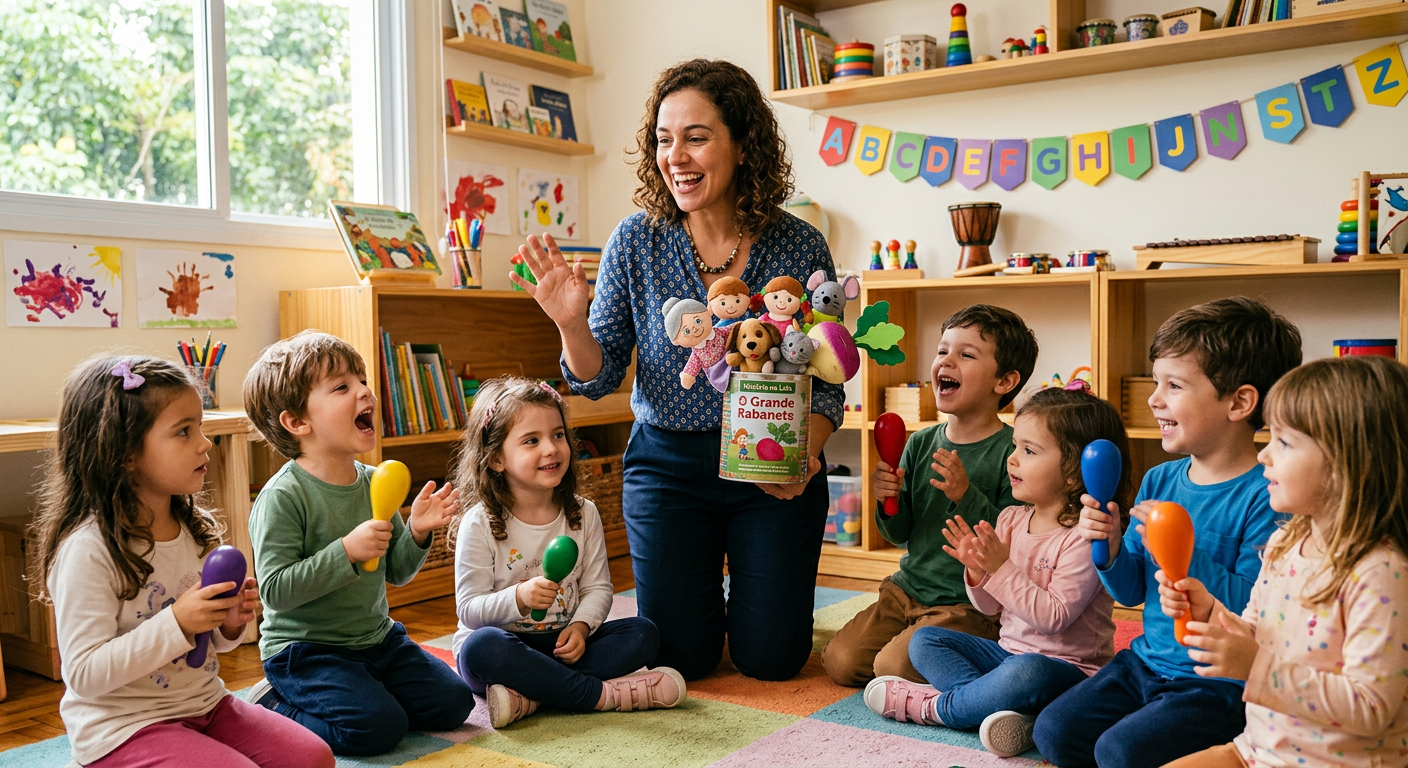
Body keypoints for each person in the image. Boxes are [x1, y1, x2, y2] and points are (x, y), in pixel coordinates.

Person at [510, 59, 843, 682]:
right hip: (668, 468)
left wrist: (807, 453)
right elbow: (598, 376)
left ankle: (750, 608)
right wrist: (570, 324)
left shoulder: (799, 243)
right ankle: (702, 612)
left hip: (771, 463)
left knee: (771, 659)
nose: (676, 156)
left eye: (696, 137)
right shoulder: (635, 240)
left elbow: (826, 375)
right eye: (664, 140)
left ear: (742, 145)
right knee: (680, 658)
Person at [1034, 297, 1303, 767]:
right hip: (1145, 661)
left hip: (1216, 681)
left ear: (1239, 402)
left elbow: (1251, 608)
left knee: (1119, 752)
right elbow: (1133, 590)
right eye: (1155, 382)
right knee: (1055, 732)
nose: (1154, 398)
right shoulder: (1161, 479)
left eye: (1174, 385)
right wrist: (1109, 547)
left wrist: (1182, 554)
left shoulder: (1269, 495)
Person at [31, 355, 333, 768]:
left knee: (314, 758)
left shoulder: (196, 528)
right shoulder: (88, 550)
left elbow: (212, 645)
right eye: (183, 431)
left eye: (201, 427)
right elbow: (83, 673)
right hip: (124, 727)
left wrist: (227, 622)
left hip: (205, 703)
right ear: (125, 454)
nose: (204, 443)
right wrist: (179, 622)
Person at [1162, 357, 1408, 768]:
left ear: (1349, 462)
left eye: (1285, 443)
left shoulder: (1381, 572)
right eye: (1269, 437)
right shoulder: (1284, 541)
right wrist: (1211, 613)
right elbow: (1260, 634)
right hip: (1257, 749)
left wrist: (1256, 667)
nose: (1264, 457)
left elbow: (1370, 707)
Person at [240, 331, 475, 755]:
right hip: (306, 652)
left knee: (454, 703)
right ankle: (273, 705)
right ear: (297, 422)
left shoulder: (374, 482)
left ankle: (366, 691)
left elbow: (398, 572)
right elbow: (275, 592)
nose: (365, 391)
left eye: (362, 380)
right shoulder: (283, 497)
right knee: (375, 729)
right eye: (342, 387)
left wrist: (419, 530)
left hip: (377, 640)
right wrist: (345, 551)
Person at [865, 388, 1129, 758]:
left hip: (1068, 671)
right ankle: (995, 707)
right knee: (925, 641)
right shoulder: (1010, 519)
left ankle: (939, 709)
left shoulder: (1084, 538)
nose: (1012, 460)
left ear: (1073, 472)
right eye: (1015, 447)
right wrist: (978, 573)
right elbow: (989, 608)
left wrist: (1000, 568)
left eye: (1029, 451)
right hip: (1006, 655)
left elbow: (1052, 618)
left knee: (1027, 673)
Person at [449, 377, 683, 728]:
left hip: (561, 644)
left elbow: (598, 588)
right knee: (480, 649)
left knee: (642, 634)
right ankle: (598, 696)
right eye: (532, 441)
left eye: (558, 435)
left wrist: (581, 626)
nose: (551, 448)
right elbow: (469, 610)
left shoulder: (582, 512)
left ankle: (530, 695)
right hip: (506, 645)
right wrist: (519, 597)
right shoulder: (479, 522)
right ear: (496, 458)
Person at [823, 305, 1038, 686]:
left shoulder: (1013, 451)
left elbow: (1012, 541)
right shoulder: (920, 443)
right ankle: (930, 648)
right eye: (943, 351)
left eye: (966, 355)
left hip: (966, 604)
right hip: (906, 591)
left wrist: (965, 494)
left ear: (1004, 381)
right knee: (841, 662)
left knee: (893, 667)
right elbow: (898, 533)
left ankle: (985, 653)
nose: (946, 362)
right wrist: (886, 500)